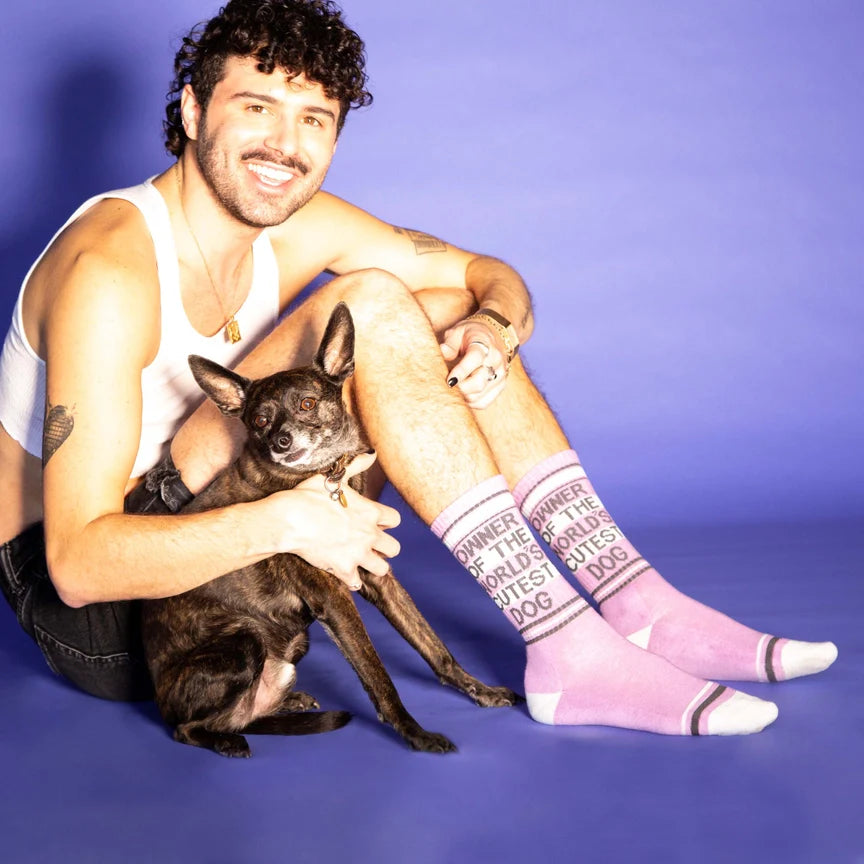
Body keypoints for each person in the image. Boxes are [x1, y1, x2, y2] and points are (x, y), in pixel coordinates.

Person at [0, 0, 835, 735]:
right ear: (192, 110)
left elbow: (485, 276)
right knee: (367, 301)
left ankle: (633, 602)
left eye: (314, 119)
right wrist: (290, 524)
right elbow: (77, 567)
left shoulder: (295, 222)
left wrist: (494, 330)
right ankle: (565, 644)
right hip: (113, 619)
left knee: (437, 311)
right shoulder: (111, 269)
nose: (284, 145)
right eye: (256, 107)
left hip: (232, 574)